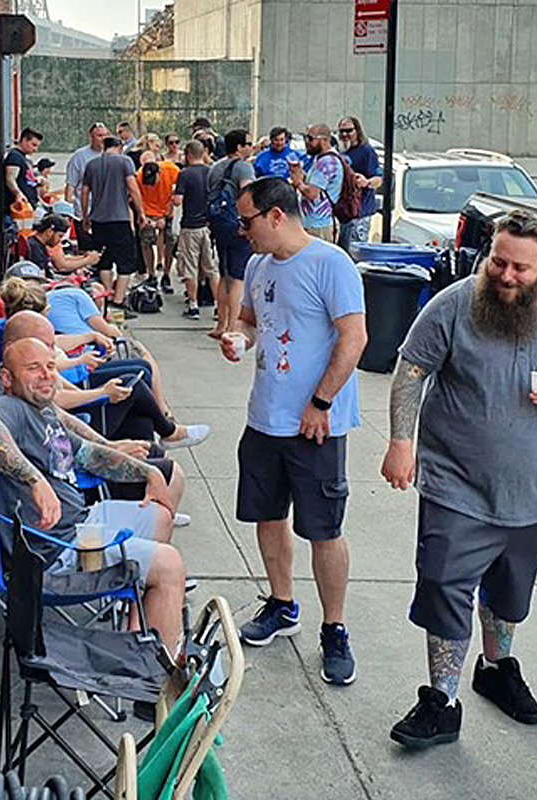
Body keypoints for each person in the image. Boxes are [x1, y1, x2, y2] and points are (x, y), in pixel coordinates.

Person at [381, 211, 537, 749]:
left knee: (508, 591)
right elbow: (411, 371)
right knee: (444, 585)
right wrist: (401, 442)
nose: (505, 275)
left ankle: (497, 668)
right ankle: (441, 700)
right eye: (497, 262)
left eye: (519, 268)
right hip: (455, 484)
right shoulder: (455, 304)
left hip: (530, 491)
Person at [218, 177, 367, 686]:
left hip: (314, 425)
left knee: (323, 528)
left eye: (247, 221)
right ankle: (282, 604)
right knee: (267, 515)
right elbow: (249, 320)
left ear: (276, 216)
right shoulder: (258, 265)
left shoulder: (331, 264)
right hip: (265, 417)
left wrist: (321, 402)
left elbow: (354, 337)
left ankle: (334, 628)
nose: (242, 232)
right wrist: (239, 339)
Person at [0, 337, 186, 651]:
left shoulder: (42, 411)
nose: (46, 375)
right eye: (33, 368)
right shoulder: (10, 408)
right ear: (7, 378)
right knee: (170, 565)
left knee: (160, 515)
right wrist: (34, 481)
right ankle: (153, 666)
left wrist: (146, 472)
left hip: (79, 525)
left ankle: (136, 636)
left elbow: (86, 455)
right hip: (52, 554)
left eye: (50, 366)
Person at [0, 309, 192, 521]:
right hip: (74, 486)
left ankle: (153, 508)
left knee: (146, 434)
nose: (47, 370)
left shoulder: (34, 394)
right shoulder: (6, 402)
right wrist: (35, 480)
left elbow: (65, 421)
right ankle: (167, 441)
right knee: (169, 472)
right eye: (34, 366)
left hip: (77, 459)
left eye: (50, 360)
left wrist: (109, 446)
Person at [0, 275, 210, 450]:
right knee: (133, 383)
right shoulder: (25, 367)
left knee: (140, 414)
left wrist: (96, 389)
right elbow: (58, 401)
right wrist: (100, 393)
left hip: (75, 413)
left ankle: (151, 461)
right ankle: (168, 433)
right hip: (70, 430)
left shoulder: (30, 350)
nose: (50, 351)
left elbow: (61, 388)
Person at [81, 136, 145, 314]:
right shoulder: (125, 162)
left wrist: (85, 216)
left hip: (98, 220)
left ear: (104, 147)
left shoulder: (92, 164)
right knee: (126, 262)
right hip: (119, 218)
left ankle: (107, 295)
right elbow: (132, 187)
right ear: (120, 146)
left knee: (104, 260)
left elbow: (84, 192)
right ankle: (119, 300)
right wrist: (141, 212)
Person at [207, 129, 255, 339]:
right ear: (239, 147)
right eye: (248, 143)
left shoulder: (215, 167)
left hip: (219, 225)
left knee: (224, 274)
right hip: (236, 225)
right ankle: (233, 327)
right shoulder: (243, 167)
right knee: (237, 277)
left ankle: (220, 325)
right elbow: (248, 194)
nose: (251, 147)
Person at [172, 140, 218, 321]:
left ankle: (193, 305)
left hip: (190, 225)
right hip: (208, 225)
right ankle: (217, 306)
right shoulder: (211, 172)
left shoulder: (185, 174)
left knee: (190, 267)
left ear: (188, 155)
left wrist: (173, 195)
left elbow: (178, 200)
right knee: (210, 267)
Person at [289, 123, 343, 243]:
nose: (306, 142)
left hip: (318, 225)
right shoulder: (321, 159)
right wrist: (300, 174)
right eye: (305, 137)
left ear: (324, 140)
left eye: (310, 138)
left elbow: (312, 193)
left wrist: (298, 183)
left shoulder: (326, 162)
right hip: (315, 223)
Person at [336, 117, 381, 252]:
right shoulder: (340, 151)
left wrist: (366, 182)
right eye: (342, 131)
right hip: (342, 212)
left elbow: (379, 179)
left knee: (355, 252)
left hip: (360, 212)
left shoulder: (366, 151)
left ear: (357, 131)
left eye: (349, 130)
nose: (345, 134)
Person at [136, 156, 180, 289]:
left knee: (170, 240)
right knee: (146, 241)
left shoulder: (171, 170)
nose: (151, 185)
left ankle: (166, 274)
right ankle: (151, 274)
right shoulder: (139, 175)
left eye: (153, 180)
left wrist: (166, 214)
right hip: (148, 210)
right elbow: (137, 197)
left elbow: (179, 191)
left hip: (166, 208)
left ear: (159, 173)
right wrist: (143, 216)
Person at [24, 214, 100, 276]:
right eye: (60, 236)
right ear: (49, 232)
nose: (60, 240)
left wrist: (84, 257)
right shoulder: (35, 248)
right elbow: (60, 265)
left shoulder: (39, 245)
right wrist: (87, 260)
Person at [65, 122, 110, 227]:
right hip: (84, 213)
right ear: (91, 138)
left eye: (106, 135)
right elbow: (71, 185)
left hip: (108, 214)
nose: (103, 139)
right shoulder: (79, 156)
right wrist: (67, 210)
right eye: (99, 136)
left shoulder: (114, 156)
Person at [3, 127, 43, 213]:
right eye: (33, 145)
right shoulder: (15, 157)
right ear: (24, 140)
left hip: (29, 207)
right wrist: (18, 194)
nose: (35, 149)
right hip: (20, 209)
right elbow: (10, 179)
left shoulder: (23, 158)